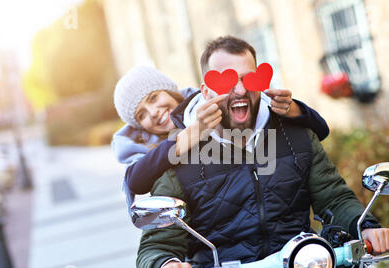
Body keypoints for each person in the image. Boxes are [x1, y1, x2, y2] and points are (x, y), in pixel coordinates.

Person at [134, 36, 389, 268]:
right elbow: (156, 244)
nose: (239, 91)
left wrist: (366, 227)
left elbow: (334, 198)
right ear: (206, 92)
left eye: (248, 79)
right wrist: (166, 266)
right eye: (227, 81)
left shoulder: (296, 132)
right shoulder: (178, 153)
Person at [111, 66, 331, 208]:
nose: (153, 112)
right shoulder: (147, 149)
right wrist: (189, 137)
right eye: (142, 115)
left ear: (168, 90)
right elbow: (135, 180)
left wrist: (294, 110)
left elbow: (320, 132)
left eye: (153, 98)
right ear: (139, 126)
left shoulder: (212, 105)